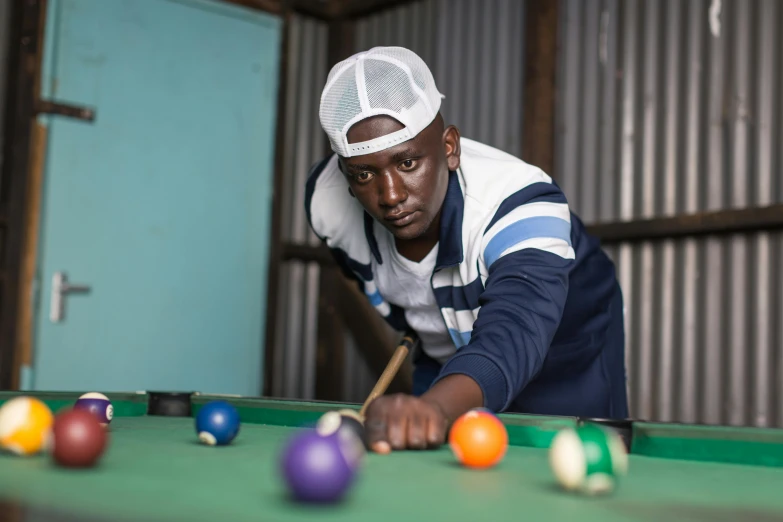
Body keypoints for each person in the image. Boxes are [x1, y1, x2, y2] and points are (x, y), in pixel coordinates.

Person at [304, 46, 627, 454]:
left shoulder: (520, 203)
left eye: (407, 163)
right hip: (448, 349)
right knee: (417, 442)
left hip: (565, 341)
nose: (390, 195)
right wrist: (430, 399)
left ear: (450, 147)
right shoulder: (326, 204)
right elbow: (362, 273)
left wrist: (437, 410)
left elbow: (513, 335)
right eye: (365, 173)